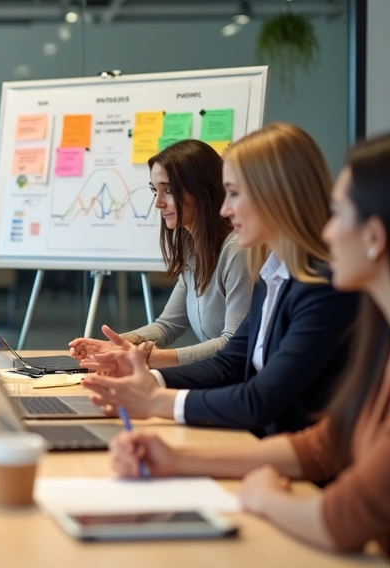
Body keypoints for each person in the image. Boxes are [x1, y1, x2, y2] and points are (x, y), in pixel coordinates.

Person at [108, 132, 390, 566]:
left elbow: (345, 518)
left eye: (337, 214)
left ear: (375, 237)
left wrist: (265, 496)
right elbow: (323, 446)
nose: (324, 230)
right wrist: (174, 459)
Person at [81, 123, 358, 436]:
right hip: (262, 444)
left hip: (283, 454)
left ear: (277, 196)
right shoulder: (272, 276)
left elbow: (259, 399)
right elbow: (230, 363)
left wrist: (157, 398)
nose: (225, 209)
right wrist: (145, 375)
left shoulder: (324, 290)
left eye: (235, 194)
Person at [69, 140, 253, 368]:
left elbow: (233, 344)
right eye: (154, 191)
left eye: (168, 190)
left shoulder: (237, 250)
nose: (158, 203)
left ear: (202, 190)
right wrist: (119, 344)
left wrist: (153, 358)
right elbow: (167, 325)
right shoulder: (192, 249)